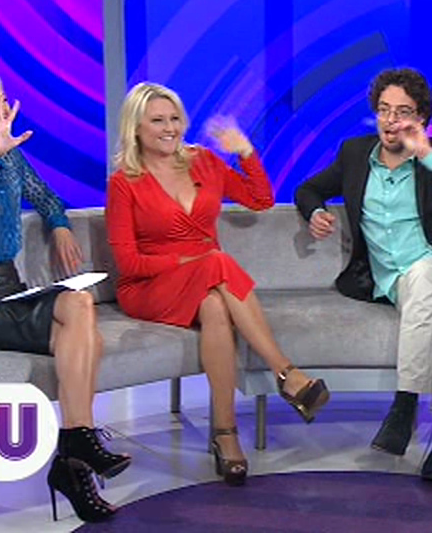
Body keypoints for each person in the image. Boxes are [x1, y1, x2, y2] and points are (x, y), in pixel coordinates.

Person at [0, 66, 128, 523]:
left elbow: (49, 199)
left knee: (80, 304)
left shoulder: (12, 160)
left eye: (1, 101)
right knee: (84, 334)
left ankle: (74, 447)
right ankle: (76, 453)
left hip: (8, 288)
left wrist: (60, 227)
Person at [105, 82, 331, 487]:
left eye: (175, 119)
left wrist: (245, 152)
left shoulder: (204, 162)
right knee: (216, 262)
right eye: (158, 121)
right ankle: (287, 374)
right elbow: (129, 263)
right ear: (135, 127)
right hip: (150, 287)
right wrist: (184, 261)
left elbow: (260, 199)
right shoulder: (124, 183)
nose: (170, 128)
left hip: (207, 279)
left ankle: (225, 435)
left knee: (214, 307)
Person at [294, 67, 432, 482]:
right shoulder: (355, 154)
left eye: (402, 112)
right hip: (402, 284)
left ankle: (404, 406)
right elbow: (308, 189)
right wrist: (315, 212)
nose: (391, 120)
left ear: (421, 118)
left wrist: (428, 156)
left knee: (426, 274)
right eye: (384, 110)